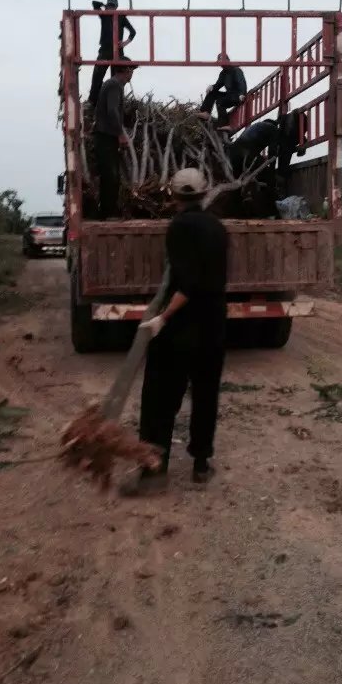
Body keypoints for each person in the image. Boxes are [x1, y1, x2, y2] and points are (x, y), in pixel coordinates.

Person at [121, 169, 229, 495]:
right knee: (205, 394)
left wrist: (162, 318)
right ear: (204, 192)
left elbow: (187, 283)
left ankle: (153, 472)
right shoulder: (219, 228)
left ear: (174, 196)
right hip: (213, 326)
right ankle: (200, 465)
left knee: (159, 399)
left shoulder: (178, 227)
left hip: (181, 328)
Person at [94, 61, 136, 219]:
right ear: (125, 70)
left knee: (110, 175)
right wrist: (121, 133)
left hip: (106, 136)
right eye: (131, 70)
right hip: (105, 136)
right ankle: (107, 213)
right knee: (110, 175)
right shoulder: (114, 85)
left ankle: (107, 212)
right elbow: (112, 110)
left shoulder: (115, 85)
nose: (132, 73)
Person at [88, 0, 136, 107]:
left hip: (117, 52)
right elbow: (95, 3)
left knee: (117, 80)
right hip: (105, 50)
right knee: (97, 76)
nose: (111, 8)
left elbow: (133, 32)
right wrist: (105, 6)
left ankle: (116, 103)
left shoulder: (121, 17)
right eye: (110, 6)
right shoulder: (104, 15)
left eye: (112, 6)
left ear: (116, 7)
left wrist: (125, 43)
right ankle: (93, 102)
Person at [195, 53, 247, 127]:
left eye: (222, 61)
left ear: (227, 60)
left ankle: (225, 124)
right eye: (219, 61)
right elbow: (218, 85)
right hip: (229, 95)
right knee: (212, 92)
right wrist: (212, 87)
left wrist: (242, 94)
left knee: (220, 101)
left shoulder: (236, 70)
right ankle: (206, 112)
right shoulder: (223, 73)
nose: (221, 63)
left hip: (238, 96)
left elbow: (241, 83)